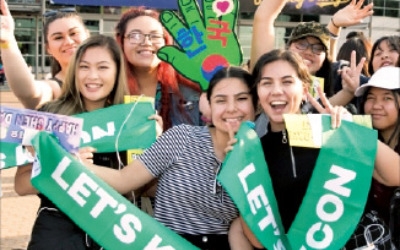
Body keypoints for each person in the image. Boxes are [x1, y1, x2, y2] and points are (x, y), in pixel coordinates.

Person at [240, 49, 400, 249]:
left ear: (305, 88)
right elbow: (257, 238)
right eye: (266, 83)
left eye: (287, 82)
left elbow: (395, 175)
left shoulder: (334, 128)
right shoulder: (254, 153)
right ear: (256, 91)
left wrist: (352, 131)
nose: (277, 90)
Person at [84, 66, 257, 250]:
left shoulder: (258, 157)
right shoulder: (182, 137)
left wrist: (239, 166)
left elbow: (253, 232)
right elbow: (123, 180)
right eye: (221, 100)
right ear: (209, 105)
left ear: (256, 103)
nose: (231, 108)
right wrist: (76, 162)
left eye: (242, 99)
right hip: (167, 244)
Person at [14, 35, 129, 250]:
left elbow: (145, 189)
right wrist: (59, 165)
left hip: (113, 232)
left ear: (117, 72)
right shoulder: (49, 116)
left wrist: (155, 141)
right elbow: (20, 185)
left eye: (103, 67)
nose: (92, 76)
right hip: (56, 232)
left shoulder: (131, 121)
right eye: (84, 67)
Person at [250, 0, 373, 109]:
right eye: (301, 44)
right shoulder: (267, 72)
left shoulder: (337, 80)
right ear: (287, 48)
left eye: (318, 48)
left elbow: (314, 113)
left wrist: (349, 92)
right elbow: (263, 18)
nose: (308, 52)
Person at [114, 7, 203, 131]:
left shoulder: (191, 91)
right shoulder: (108, 91)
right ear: (121, 41)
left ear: (166, 42)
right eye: (135, 35)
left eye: (155, 36)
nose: (146, 42)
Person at [0, 0, 90, 109]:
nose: (69, 42)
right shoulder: (54, 88)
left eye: (73, 33)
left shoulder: (112, 73)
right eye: (58, 37)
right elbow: (29, 94)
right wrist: (7, 41)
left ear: (88, 35)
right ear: (48, 49)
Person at [353, 66, 400, 248]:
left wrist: (353, 129)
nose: (376, 106)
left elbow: (394, 174)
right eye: (371, 98)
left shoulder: (364, 139)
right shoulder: (365, 139)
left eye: (387, 98)